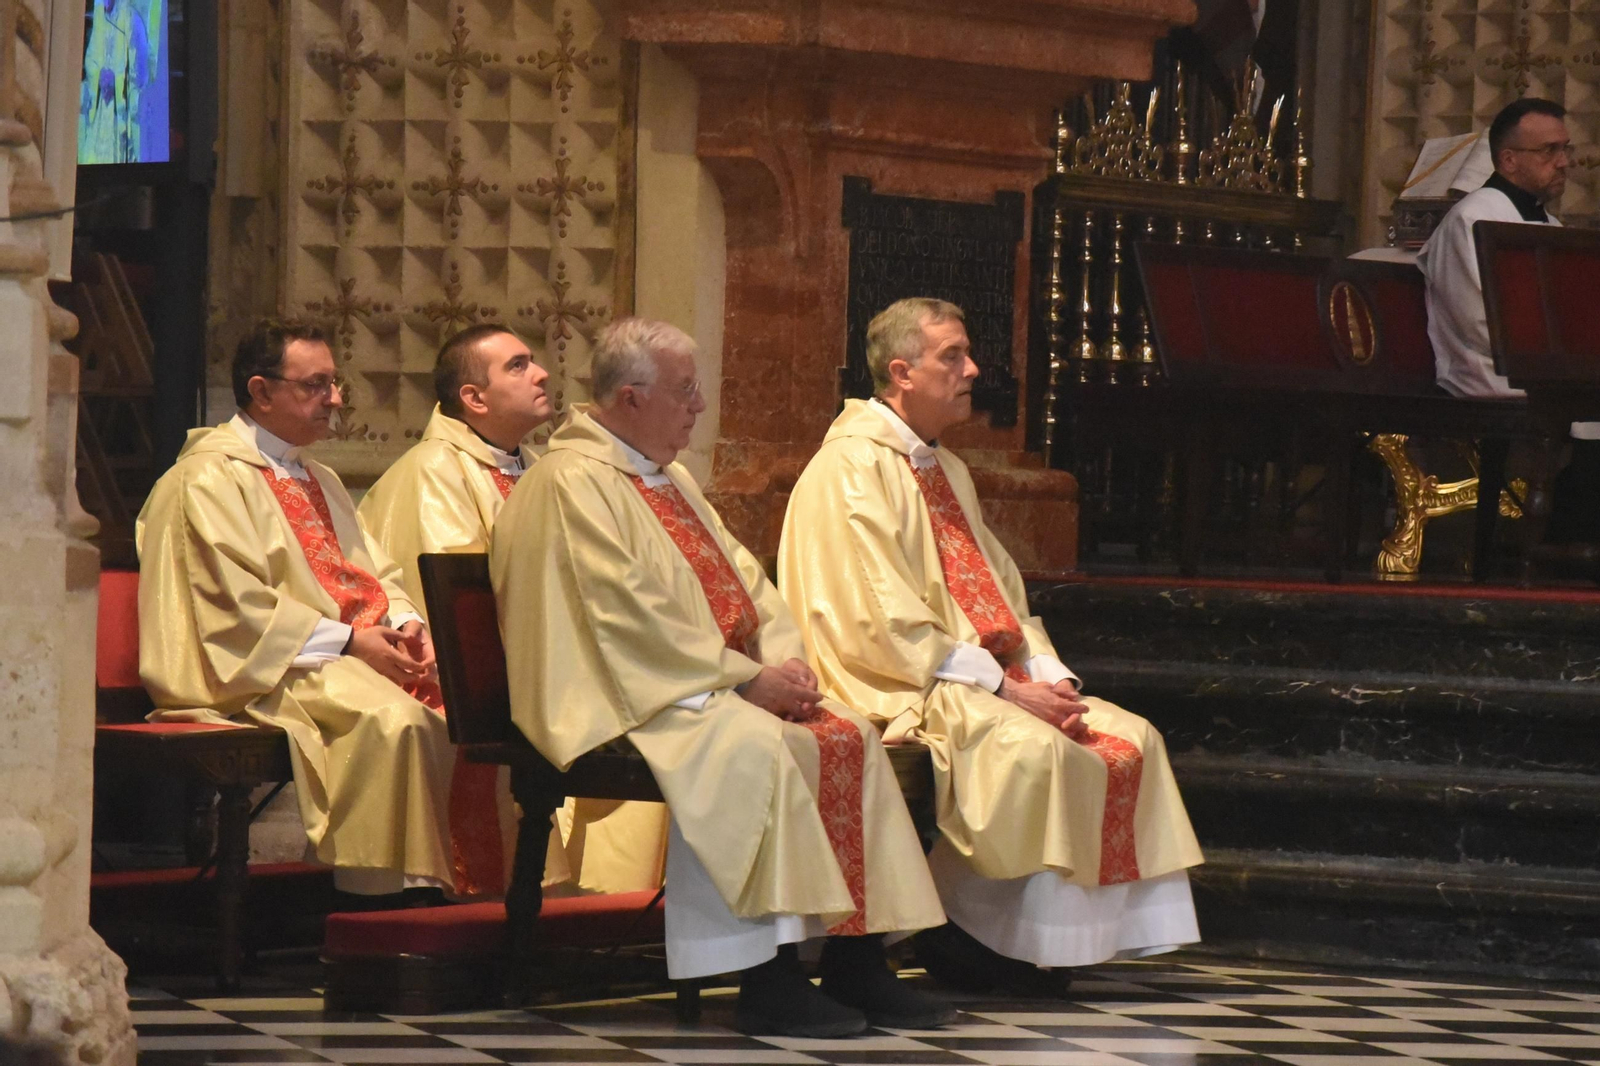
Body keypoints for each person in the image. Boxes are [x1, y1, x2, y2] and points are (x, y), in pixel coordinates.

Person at [491, 317, 950, 1038]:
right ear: (632, 398)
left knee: (850, 736)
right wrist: (739, 682)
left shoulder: (664, 476)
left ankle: (856, 961)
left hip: (692, 684)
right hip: (622, 694)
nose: (699, 405)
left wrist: (783, 662)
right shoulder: (569, 483)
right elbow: (620, 618)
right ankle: (764, 975)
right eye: (685, 390)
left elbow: (746, 580)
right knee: (755, 750)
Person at [778, 297, 1205, 993]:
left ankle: (1031, 942)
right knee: (1034, 750)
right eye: (953, 355)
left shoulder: (943, 468)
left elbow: (1000, 589)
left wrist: (1045, 671)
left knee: (1131, 737)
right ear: (901, 373)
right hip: (901, 679)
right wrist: (1008, 689)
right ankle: (961, 933)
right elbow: (877, 617)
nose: (973, 369)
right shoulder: (853, 468)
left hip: (974, 674)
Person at [137, 318, 463, 897]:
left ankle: (465, 897)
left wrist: (407, 623)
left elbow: (375, 571)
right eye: (315, 385)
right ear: (261, 391)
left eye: (334, 383)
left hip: (333, 653)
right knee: (397, 723)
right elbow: (232, 608)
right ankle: (376, 905)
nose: (334, 399)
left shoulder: (320, 477)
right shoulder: (207, 479)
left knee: (462, 707)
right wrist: (349, 641)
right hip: (263, 668)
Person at [360, 324, 668, 895]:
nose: (543, 373)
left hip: (562, 671)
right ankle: (560, 907)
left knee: (674, 719)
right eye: (519, 365)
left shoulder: (538, 465)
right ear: (474, 398)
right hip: (493, 691)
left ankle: (618, 906)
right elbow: (466, 616)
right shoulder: (435, 473)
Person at [1418, 97, 1599, 542]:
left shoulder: (1547, 225)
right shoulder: (1473, 219)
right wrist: (1561, 361)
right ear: (1509, 159)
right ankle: (1562, 548)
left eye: (1566, 150)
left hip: (1547, 370)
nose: (1563, 163)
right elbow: (1479, 322)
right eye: (1549, 151)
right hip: (1491, 372)